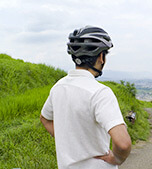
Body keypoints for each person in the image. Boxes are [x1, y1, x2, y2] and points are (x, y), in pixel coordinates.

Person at [40, 25, 131, 169]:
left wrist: (68, 142)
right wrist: (117, 158)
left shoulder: (58, 87)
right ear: (101, 57)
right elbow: (123, 143)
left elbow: (45, 119)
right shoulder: (100, 93)